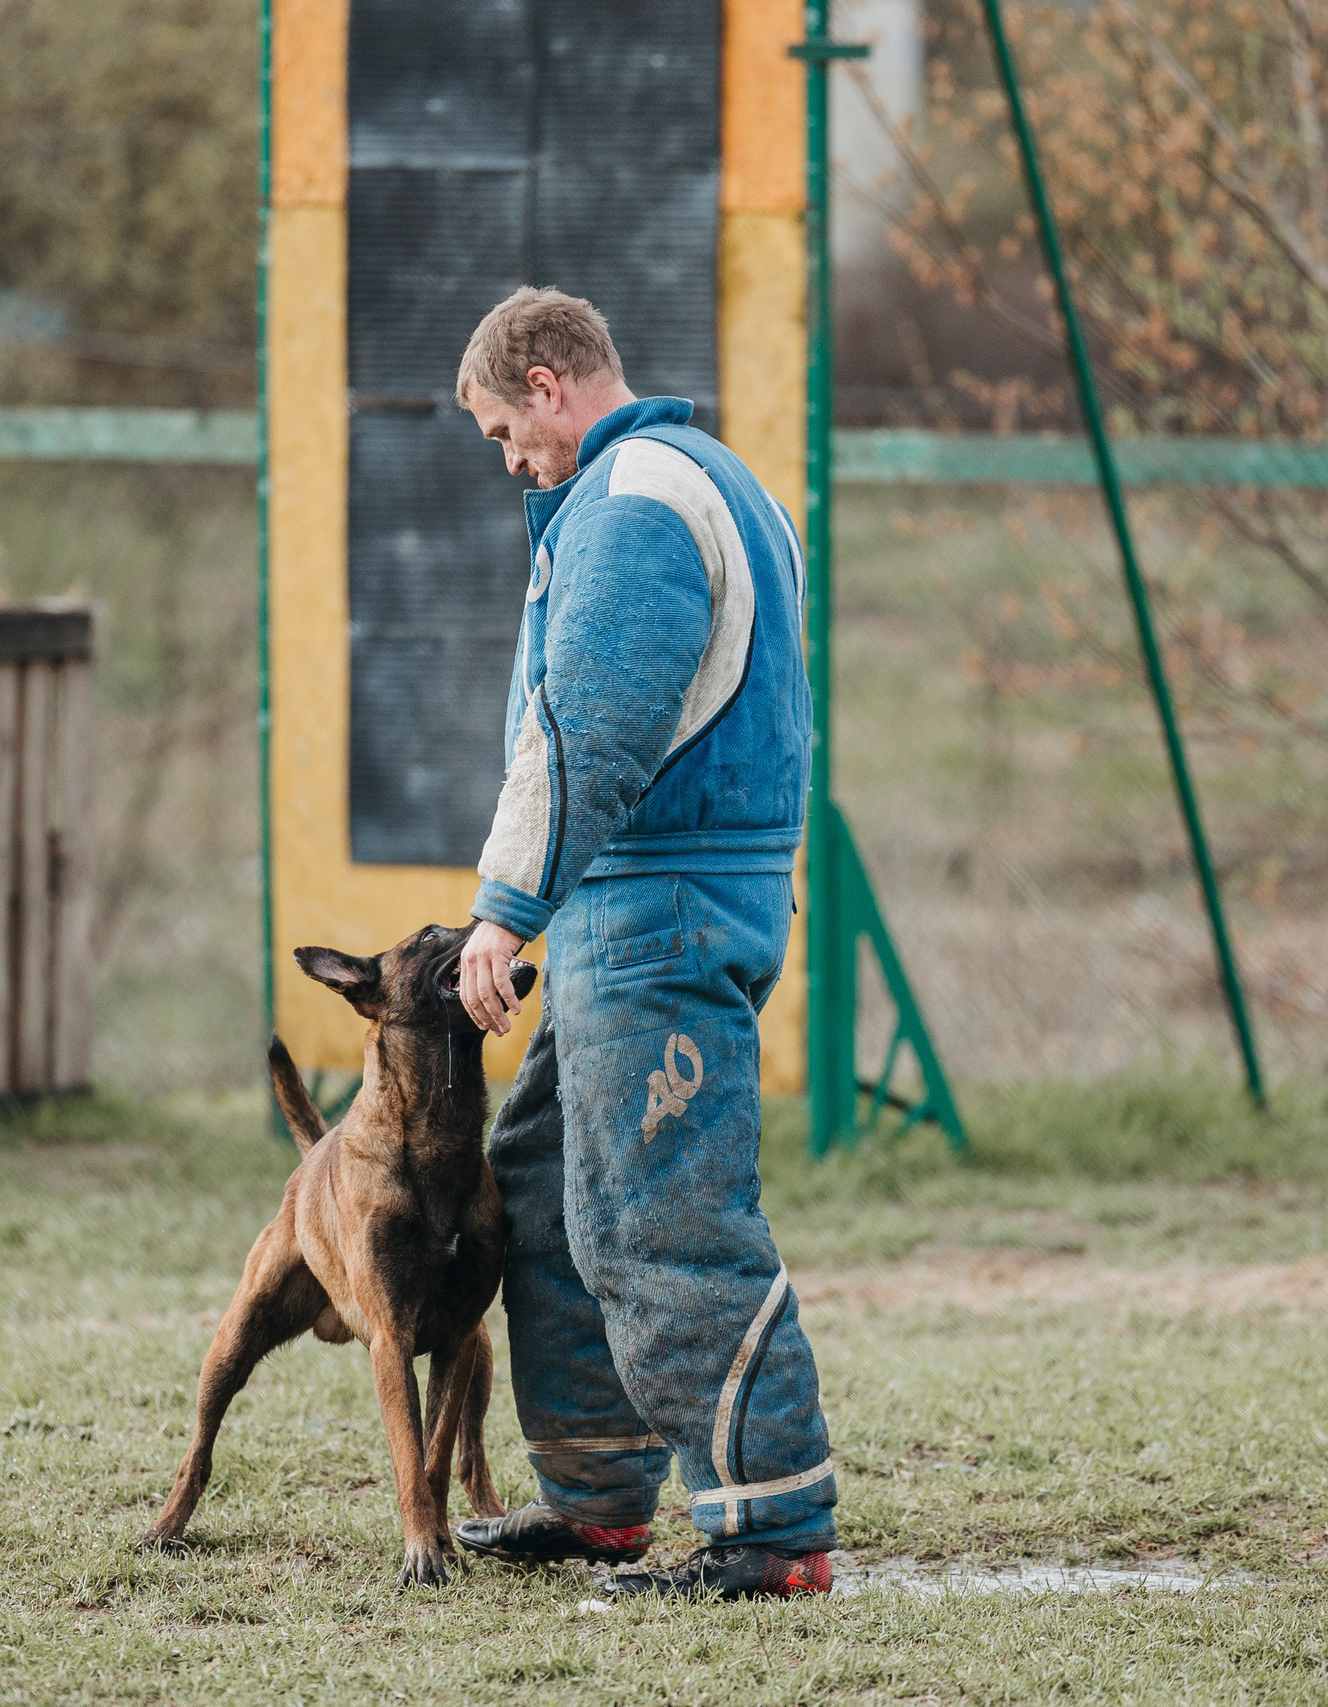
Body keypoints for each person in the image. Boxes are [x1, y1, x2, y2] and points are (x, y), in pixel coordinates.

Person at [445, 287, 835, 1600]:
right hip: (662, 897)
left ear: (553, 384)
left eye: (508, 428)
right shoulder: (717, 482)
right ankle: (599, 1493)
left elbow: (592, 727)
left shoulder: (635, 499)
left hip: (655, 906)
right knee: (553, 1179)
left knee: (659, 1212)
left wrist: (506, 908)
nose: (510, 459)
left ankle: (771, 1529)